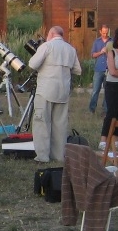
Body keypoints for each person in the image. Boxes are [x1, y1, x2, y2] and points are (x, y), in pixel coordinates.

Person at [27, 25, 82, 163]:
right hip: (63, 91)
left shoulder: (47, 46)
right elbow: (77, 70)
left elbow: (32, 64)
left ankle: (42, 156)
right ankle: (58, 155)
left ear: (50, 34)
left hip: (46, 90)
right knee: (60, 125)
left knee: (42, 122)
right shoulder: (71, 49)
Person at [88, 24, 112, 114]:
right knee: (95, 90)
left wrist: (108, 52)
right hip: (98, 69)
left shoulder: (112, 41)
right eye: (103, 33)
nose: (105, 35)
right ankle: (91, 109)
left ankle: (105, 110)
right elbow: (93, 55)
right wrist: (101, 52)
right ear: (100, 32)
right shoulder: (96, 42)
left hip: (108, 69)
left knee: (107, 91)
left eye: (106, 33)